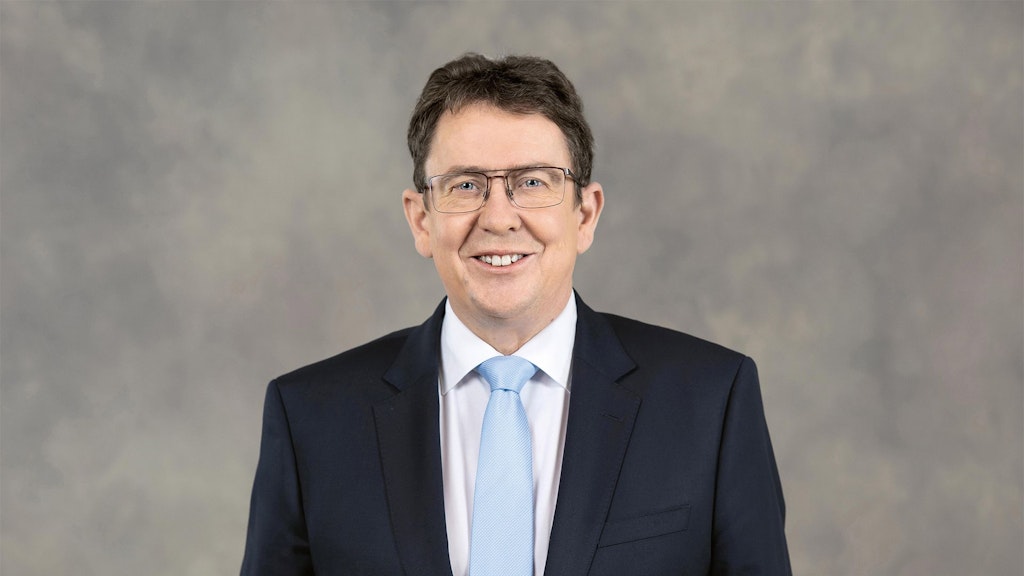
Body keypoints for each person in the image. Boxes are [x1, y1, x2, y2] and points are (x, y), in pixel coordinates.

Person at [241, 53, 792, 576]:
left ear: (585, 214)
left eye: (533, 182)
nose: (500, 218)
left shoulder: (711, 400)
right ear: (421, 221)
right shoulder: (310, 418)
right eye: (465, 185)